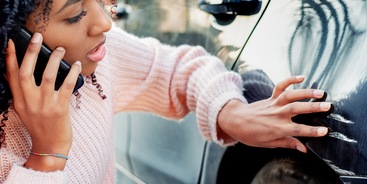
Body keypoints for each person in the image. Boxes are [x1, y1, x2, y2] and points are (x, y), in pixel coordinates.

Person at [0, 0, 332, 183]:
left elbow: (176, 69)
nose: (104, 23)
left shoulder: (94, 57)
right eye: (74, 16)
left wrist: (230, 112)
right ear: (11, 35)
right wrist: (47, 155)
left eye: (100, 0)